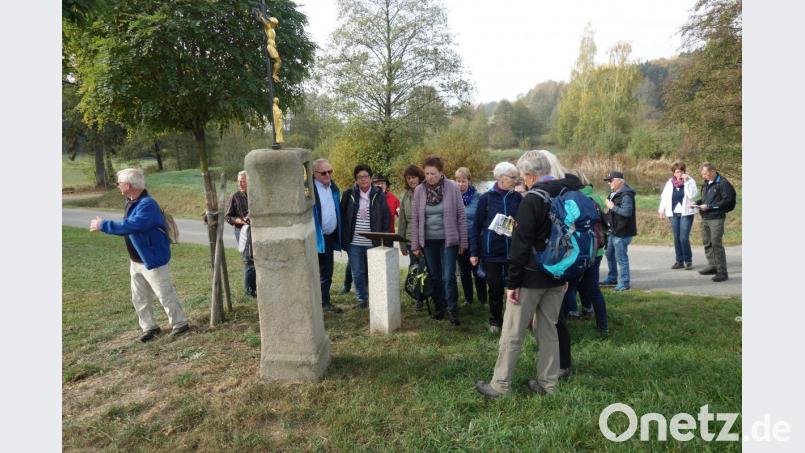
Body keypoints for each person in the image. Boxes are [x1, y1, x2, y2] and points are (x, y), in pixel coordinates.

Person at [475, 150, 568, 398]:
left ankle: (500, 385)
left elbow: (520, 245)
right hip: (558, 275)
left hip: (530, 277)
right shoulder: (564, 193)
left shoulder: (532, 199)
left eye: (523, 177)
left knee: (512, 332)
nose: (522, 182)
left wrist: (511, 282)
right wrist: (566, 275)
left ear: (529, 175)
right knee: (549, 331)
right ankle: (548, 384)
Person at [89, 168, 190, 342]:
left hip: (152, 259)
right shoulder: (130, 200)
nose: (118, 186)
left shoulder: (147, 204)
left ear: (128, 185)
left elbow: (131, 225)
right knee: (139, 297)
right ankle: (150, 327)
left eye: (119, 183)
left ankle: (180, 324)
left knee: (164, 293)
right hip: (136, 260)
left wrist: (102, 225)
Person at [410, 155, 468, 325]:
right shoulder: (419, 191)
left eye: (433, 173)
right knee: (434, 275)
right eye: (427, 173)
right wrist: (415, 245)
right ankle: (440, 307)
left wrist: (463, 242)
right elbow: (415, 219)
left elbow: (461, 216)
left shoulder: (452, 187)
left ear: (441, 172)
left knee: (448, 275)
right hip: (428, 241)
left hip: (448, 240)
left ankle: (452, 308)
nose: (430, 177)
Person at [470, 162, 522, 333]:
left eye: (516, 177)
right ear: (500, 178)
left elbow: (525, 225)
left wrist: (518, 224)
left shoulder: (518, 198)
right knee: (495, 289)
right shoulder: (486, 199)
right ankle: (495, 321)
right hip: (492, 252)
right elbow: (476, 227)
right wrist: (474, 252)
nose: (516, 180)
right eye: (513, 177)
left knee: (515, 289)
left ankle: (514, 322)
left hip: (513, 252)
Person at [563, 169, 609, 337]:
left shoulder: (571, 199)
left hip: (578, 251)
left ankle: (571, 315)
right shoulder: (595, 196)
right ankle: (603, 325)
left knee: (569, 285)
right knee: (593, 287)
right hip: (596, 249)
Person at [341, 164, 390, 308]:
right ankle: (362, 299)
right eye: (359, 177)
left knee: (373, 271)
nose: (363, 180)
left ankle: (375, 297)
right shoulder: (348, 194)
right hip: (354, 242)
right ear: (356, 180)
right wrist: (345, 238)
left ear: (371, 178)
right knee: (357, 272)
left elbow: (386, 217)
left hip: (373, 241)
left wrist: (384, 237)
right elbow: (343, 216)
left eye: (366, 176)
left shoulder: (378, 194)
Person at [692, 162, 736, 282]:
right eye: (702, 174)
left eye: (705, 174)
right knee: (707, 243)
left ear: (712, 171)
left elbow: (727, 201)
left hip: (716, 218)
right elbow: (706, 199)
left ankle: (722, 272)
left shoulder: (723, 183)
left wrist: (710, 206)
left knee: (716, 244)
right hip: (705, 217)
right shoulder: (707, 183)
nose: (703, 176)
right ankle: (712, 266)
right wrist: (697, 203)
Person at [312, 159, 344, 313]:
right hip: (315, 238)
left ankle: (324, 302)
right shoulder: (309, 189)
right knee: (313, 272)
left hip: (329, 237)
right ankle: (314, 304)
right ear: (314, 173)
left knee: (327, 271)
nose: (327, 175)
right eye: (323, 172)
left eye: (330, 171)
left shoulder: (333, 187)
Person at [455, 167, 487, 306]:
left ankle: (482, 300)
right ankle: (468, 299)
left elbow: (483, 219)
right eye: (458, 181)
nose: (460, 184)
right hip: (460, 239)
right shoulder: (453, 198)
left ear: (469, 181)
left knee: (477, 271)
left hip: (475, 239)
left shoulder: (478, 197)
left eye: (463, 181)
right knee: (464, 271)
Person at [600, 171, 637, 291]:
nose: (609, 183)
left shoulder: (626, 195)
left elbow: (627, 212)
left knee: (621, 257)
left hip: (622, 232)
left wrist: (612, 207)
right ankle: (612, 278)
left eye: (610, 181)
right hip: (613, 230)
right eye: (608, 181)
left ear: (619, 181)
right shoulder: (614, 193)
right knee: (609, 253)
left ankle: (625, 283)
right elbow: (612, 213)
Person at [658, 161, 698, 270]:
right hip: (673, 213)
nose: (678, 174)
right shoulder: (670, 183)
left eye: (680, 172)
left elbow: (692, 195)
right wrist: (661, 210)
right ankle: (679, 261)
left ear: (684, 172)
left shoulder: (691, 181)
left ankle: (688, 260)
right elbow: (664, 197)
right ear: (673, 173)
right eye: (676, 172)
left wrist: (686, 181)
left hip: (686, 212)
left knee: (683, 237)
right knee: (676, 237)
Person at [225, 171, 257, 297]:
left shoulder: (255, 194)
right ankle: (249, 292)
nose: (240, 184)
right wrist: (240, 220)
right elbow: (228, 217)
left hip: (256, 230)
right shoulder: (235, 196)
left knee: (258, 258)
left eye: (243, 181)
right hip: (242, 231)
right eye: (238, 181)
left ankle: (257, 287)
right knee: (248, 259)